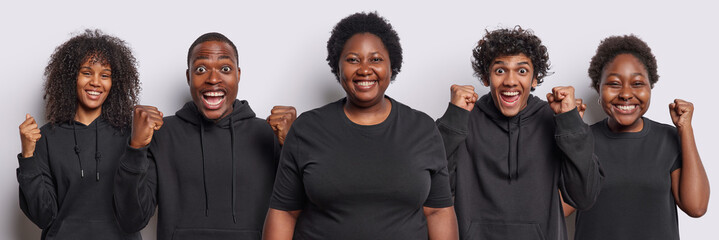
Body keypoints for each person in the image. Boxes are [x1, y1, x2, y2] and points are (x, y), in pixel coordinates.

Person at [263, 12, 458, 240]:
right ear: (337, 66)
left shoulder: (422, 129)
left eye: (375, 59)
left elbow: (438, 211)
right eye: (353, 59)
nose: (365, 69)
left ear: (392, 65)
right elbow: (285, 213)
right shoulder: (306, 129)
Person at [113, 32, 296, 240]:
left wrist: (291, 148)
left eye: (225, 69)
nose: (213, 79)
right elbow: (130, 220)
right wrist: (136, 148)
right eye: (201, 69)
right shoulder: (161, 134)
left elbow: (301, 213)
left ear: (238, 74)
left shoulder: (269, 135)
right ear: (189, 76)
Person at [436, 26, 603, 240]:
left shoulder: (556, 120)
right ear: (486, 78)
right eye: (499, 70)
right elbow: (431, 188)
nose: (510, 81)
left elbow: (584, 197)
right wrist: (453, 119)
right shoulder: (464, 118)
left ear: (534, 79)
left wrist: (570, 124)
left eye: (522, 71)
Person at [563, 35, 710, 240]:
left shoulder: (668, 138)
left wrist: (685, 128)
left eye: (637, 83)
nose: (625, 94)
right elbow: (561, 209)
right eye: (614, 84)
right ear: (598, 88)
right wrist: (571, 133)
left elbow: (697, 207)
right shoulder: (585, 139)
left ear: (650, 88)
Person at [17, 29, 141, 239]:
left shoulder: (131, 138)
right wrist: (28, 156)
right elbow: (42, 216)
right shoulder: (45, 137)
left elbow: (138, 209)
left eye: (105, 75)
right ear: (70, 77)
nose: (95, 82)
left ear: (115, 83)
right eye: (86, 72)